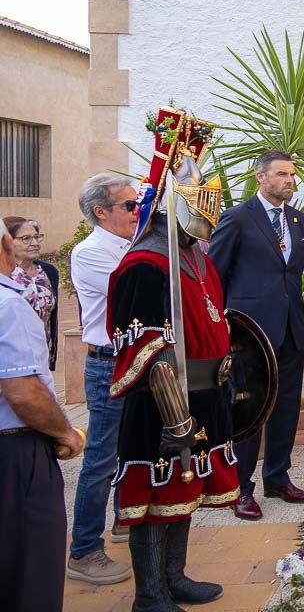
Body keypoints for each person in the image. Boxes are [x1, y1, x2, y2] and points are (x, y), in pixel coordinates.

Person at [107, 107, 240, 611]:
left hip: (204, 393)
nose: (213, 208)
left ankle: (176, 577)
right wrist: (175, 416)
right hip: (164, 405)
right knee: (154, 496)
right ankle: (150, 594)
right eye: (203, 198)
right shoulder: (145, 264)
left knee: (187, 489)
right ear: (175, 203)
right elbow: (149, 349)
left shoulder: (197, 255)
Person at [209, 151, 304, 519]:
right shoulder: (237, 218)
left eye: (292, 174)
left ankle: (278, 477)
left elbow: (290, 276)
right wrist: (224, 327)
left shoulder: (298, 220)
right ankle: (240, 487)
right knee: (250, 409)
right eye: (282, 174)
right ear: (260, 177)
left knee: (286, 405)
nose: (290, 180)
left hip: (290, 327)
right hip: (250, 333)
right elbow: (215, 277)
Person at [0, 221, 84, 612]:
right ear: (6, 244)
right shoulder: (7, 304)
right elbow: (22, 391)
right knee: (31, 566)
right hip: (16, 447)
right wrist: (65, 432)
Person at [68, 172, 138, 585]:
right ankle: (84, 550)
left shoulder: (131, 244)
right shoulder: (90, 251)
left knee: (132, 446)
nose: (137, 211)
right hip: (108, 361)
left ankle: (123, 519)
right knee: (101, 457)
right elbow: (131, 289)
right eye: (129, 206)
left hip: (134, 356)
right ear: (101, 212)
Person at [3, 217, 59, 369]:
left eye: (36, 237)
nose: (35, 243)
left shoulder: (48, 272)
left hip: (41, 357)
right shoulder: (5, 274)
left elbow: (51, 319)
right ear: (8, 242)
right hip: (11, 360)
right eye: (26, 239)